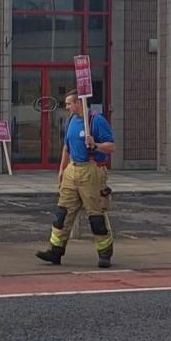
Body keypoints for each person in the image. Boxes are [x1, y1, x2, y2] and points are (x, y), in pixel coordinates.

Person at [36, 89, 115, 268]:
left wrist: (95, 144)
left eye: (70, 103)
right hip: (73, 169)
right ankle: (55, 250)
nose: (67, 107)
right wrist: (62, 170)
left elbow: (111, 147)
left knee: (96, 215)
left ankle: (104, 252)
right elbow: (66, 147)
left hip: (92, 170)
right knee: (63, 213)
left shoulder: (97, 121)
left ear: (80, 103)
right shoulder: (71, 120)